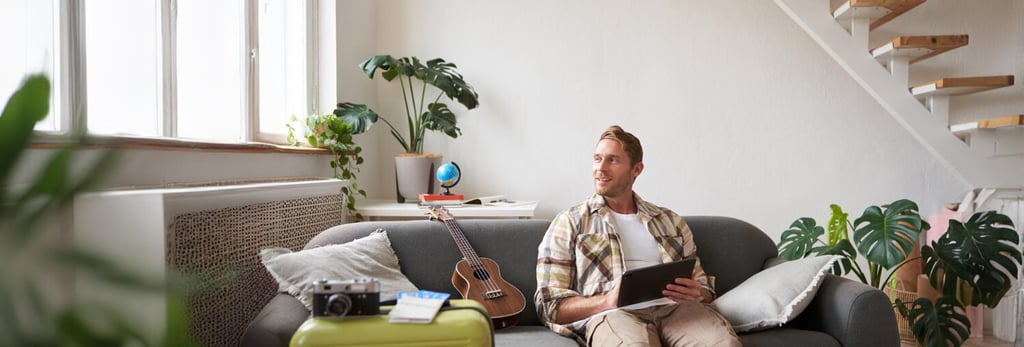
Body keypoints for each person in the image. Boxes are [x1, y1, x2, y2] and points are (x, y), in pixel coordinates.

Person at [535, 125, 740, 346]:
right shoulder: (570, 222)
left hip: (677, 310)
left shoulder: (670, 222)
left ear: (637, 169)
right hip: (614, 315)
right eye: (597, 159)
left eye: (612, 160)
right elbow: (550, 305)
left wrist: (697, 292)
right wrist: (607, 301)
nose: (600, 168)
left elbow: (704, 288)